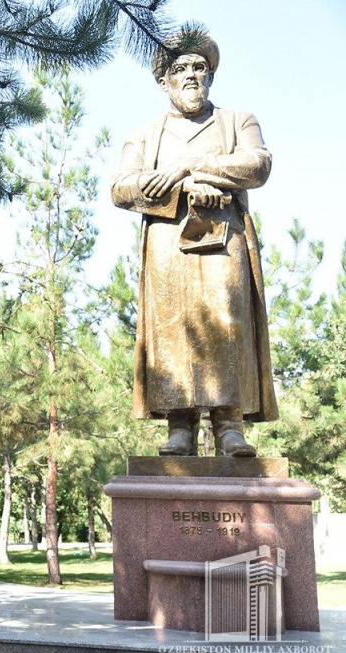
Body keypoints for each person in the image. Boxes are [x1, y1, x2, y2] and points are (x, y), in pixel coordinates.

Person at [111, 27, 277, 457]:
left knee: (227, 321)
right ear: (164, 80)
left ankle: (229, 424)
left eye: (200, 68)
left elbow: (257, 165)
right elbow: (121, 188)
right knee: (171, 328)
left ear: (211, 77)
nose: (191, 76)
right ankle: (179, 426)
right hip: (168, 246)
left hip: (226, 242)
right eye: (180, 69)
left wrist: (192, 167)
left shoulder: (238, 121)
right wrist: (182, 191)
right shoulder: (146, 135)